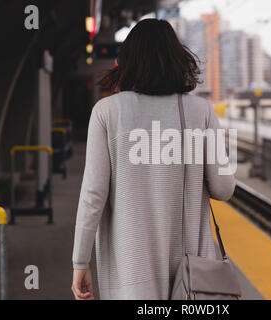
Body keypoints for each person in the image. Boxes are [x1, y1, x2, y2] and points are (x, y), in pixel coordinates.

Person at [71, 18, 236, 300]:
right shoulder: (201, 111)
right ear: (178, 60)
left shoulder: (107, 112)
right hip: (192, 280)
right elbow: (224, 188)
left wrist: (80, 261)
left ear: (126, 63)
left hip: (131, 275)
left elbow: (93, 195)